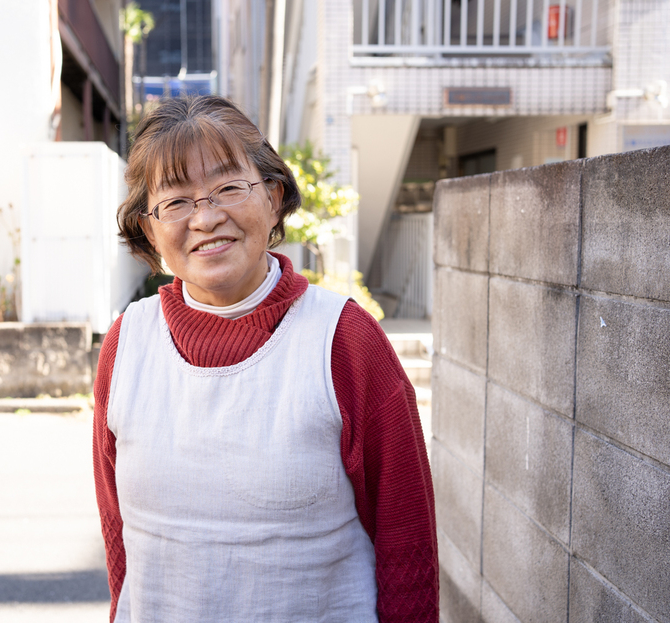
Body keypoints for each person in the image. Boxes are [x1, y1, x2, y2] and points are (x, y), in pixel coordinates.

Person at [93, 95, 437, 622]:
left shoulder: (344, 339)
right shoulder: (126, 344)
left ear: (273, 198)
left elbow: (406, 537)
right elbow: (121, 539)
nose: (206, 218)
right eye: (177, 201)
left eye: (229, 187)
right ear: (149, 228)